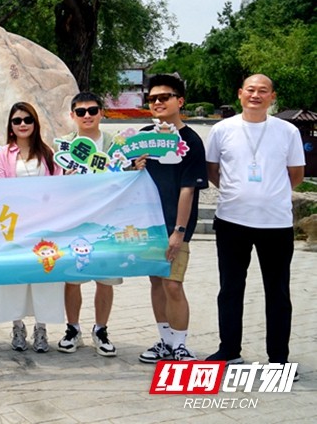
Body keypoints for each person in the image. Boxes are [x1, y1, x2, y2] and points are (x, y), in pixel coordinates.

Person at [204, 74, 305, 371]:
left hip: (276, 223)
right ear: (240, 93)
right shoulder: (222, 129)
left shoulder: (287, 131)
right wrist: (238, 193)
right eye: (250, 90)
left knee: (278, 291)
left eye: (263, 91)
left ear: (272, 97)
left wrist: (270, 195)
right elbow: (212, 170)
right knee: (230, 288)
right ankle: (229, 349)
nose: (256, 95)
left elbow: (296, 174)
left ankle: (278, 358)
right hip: (232, 220)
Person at [138, 74, 208, 363]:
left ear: (180, 101)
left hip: (174, 226)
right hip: (147, 225)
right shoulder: (143, 137)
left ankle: (180, 344)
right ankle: (165, 341)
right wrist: (134, 166)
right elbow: (129, 179)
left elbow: (188, 189)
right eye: (152, 98)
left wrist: (179, 231)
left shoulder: (191, 141)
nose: (158, 102)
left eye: (164, 97)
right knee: (157, 282)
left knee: (173, 284)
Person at [0, 101, 63, 353]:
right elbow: (0, 189)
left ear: (35, 123)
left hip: (44, 229)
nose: (22, 124)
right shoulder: (2, 154)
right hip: (14, 228)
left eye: (27, 120)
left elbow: (58, 187)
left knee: (43, 277)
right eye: (17, 120)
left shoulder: (48, 153)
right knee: (14, 277)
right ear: (10, 125)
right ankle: (17, 326)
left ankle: (41, 328)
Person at [56, 91, 122, 358]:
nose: (87, 116)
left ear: (101, 113)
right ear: (72, 115)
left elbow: (127, 175)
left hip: (108, 223)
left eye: (92, 110)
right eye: (81, 112)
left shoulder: (114, 144)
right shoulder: (63, 146)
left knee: (105, 280)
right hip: (75, 222)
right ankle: (72, 329)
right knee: (73, 279)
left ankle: (101, 330)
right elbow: (53, 186)